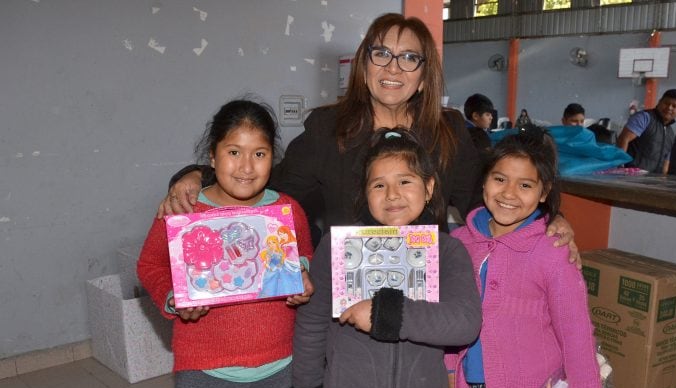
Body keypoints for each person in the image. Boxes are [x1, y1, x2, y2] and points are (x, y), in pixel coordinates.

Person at [157, 13, 579, 259]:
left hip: (424, 294)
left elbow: (486, 200)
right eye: (382, 54)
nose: (394, 68)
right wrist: (200, 176)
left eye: (409, 58)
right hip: (348, 296)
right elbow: (273, 188)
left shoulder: (447, 131)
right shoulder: (328, 129)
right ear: (365, 64)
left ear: (424, 73)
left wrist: (548, 220)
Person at [289, 127, 483, 388]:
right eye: (378, 185)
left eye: (405, 181)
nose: (392, 194)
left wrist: (384, 313)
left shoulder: (447, 251)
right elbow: (311, 325)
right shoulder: (336, 248)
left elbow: (464, 321)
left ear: (429, 187)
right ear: (364, 194)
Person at [137, 98, 314, 388]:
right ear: (212, 155)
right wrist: (172, 296)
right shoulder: (185, 209)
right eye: (234, 152)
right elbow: (150, 264)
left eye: (260, 153)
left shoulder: (287, 210)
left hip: (275, 372)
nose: (247, 166)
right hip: (206, 376)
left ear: (274, 157)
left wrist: (303, 281)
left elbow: (302, 254)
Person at [444, 125, 602, 388]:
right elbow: (445, 322)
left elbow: (576, 332)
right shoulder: (458, 244)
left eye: (525, 184)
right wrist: (448, 383)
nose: (509, 193)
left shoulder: (553, 251)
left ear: (544, 192)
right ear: (484, 181)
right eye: (499, 179)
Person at [617, 89, 676, 174]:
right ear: (659, 102)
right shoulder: (644, 118)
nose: (669, 108)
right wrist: (620, 167)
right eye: (666, 103)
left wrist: (663, 181)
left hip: (653, 182)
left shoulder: (671, 134)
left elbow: (666, 163)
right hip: (631, 178)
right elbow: (623, 139)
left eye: (674, 106)